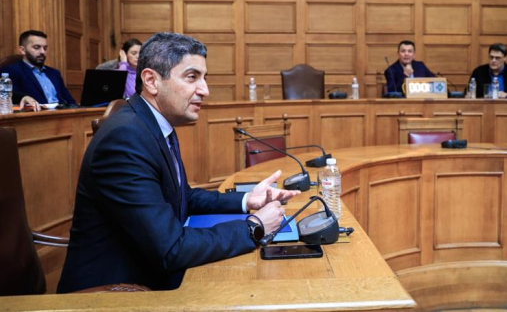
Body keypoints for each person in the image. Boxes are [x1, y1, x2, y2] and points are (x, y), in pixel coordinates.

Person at [57, 32, 300, 293]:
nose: (205, 90)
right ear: (151, 80)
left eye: (204, 78)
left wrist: (247, 200)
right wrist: (254, 227)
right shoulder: (125, 138)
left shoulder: (152, 124)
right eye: (192, 77)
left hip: (149, 271)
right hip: (115, 292)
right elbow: (171, 248)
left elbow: (182, 196)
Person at [0, 30, 76, 105]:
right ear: (23, 50)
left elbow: (69, 100)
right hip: (36, 112)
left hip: (61, 111)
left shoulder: (54, 73)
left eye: (45, 48)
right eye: (36, 47)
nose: (42, 52)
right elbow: (10, 94)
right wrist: (23, 97)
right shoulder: (11, 70)